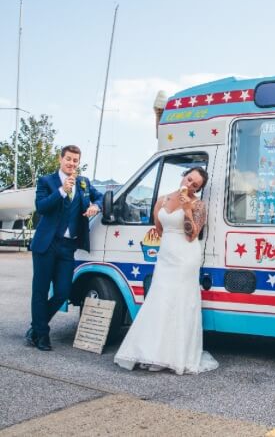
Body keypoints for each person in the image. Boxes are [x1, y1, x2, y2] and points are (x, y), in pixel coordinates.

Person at [114, 167, 218, 374]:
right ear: (183, 176)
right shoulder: (162, 200)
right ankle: (154, 351)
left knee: (178, 302)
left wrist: (187, 209)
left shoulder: (198, 204)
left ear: (198, 189)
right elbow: (159, 228)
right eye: (189, 179)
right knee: (159, 299)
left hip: (186, 256)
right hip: (166, 254)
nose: (189, 185)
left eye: (195, 185)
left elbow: (192, 235)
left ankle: (174, 356)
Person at [25, 145, 103, 351]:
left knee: (63, 292)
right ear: (60, 159)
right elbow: (41, 207)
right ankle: (42, 335)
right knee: (40, 291)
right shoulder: (46, 181)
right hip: (46, 244)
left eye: (75, 160)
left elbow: (101, 196)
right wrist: (62, 191)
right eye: (68, 159)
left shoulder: (84, 183)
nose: (71, 163)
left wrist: (97, 206)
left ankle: (36, 327)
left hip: (68, 247)